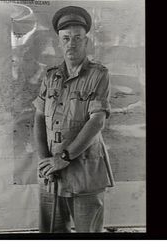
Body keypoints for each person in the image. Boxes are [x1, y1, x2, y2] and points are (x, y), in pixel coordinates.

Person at [32, 6, 115, 233]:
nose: (72, 43)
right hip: (52, 174)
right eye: (66, 38)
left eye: (77, 38)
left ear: (85, 41)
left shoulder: (99, 75)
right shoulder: (50, 77)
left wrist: (65, 157)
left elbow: (97, 121)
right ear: (59, 41)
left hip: (85, 173)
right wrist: (45, 161)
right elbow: (39, 116)